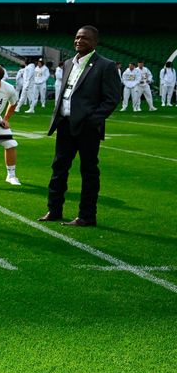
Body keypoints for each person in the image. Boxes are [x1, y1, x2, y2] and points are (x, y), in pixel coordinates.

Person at [38, 26, 121, 227]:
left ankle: (86, 216)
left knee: (89, 171)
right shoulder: (68, 63)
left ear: (95, 41)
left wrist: (93, 120)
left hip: (87, 128)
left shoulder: (105, 65)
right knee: (59, 168)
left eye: (84, 38)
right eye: (76, 37)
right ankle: (54, 210)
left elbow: (112, 98)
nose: (78, 41)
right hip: (65, 124)